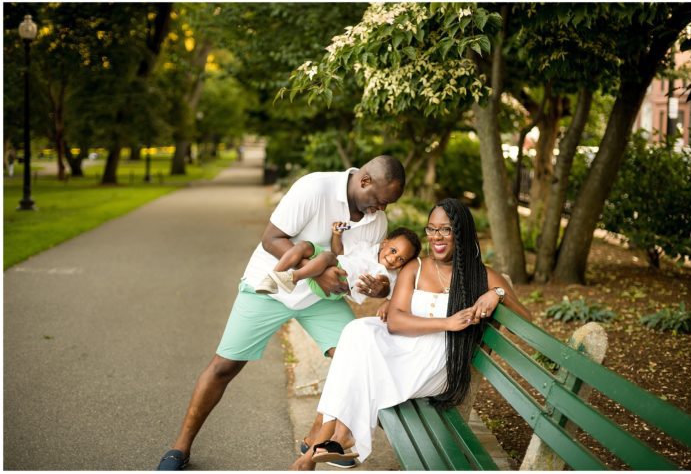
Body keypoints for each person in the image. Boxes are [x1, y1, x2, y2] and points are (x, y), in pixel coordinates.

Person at [156, 156, 406, 470]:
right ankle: (180, 448)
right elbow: (271, 238)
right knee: (224, 366)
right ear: (365, 181)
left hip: (321, 301)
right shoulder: (314, 187)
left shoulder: (377, 222)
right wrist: (314, 273)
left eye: (388, 204)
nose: (382, 209)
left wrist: (377, 289)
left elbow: (364, 269)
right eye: (381, 201)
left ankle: (317, 438)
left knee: (354, 358)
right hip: (273, 286)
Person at [289, 198, 530, 469]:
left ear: (461, 232)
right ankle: (337, 437)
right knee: (358, 331)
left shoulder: (482, 275)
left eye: (446, 230)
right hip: (402, 349)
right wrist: (446, 322)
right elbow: (395, 322)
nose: (437, 237)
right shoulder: (415, 266)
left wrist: (496, 293)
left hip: (435, 364)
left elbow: (525, 320)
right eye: (431, 229)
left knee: (360, 360)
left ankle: (331, 435)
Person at [256, 224, 421, 306]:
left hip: (338, 284)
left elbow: (387, 292)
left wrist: (382, 290)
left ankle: (293, 277)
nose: (393, 259)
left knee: (327, 256)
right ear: (384, 243)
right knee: (304, 246)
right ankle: (273, 277)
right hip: (330, 263)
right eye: (393, 251)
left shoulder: (388, 275)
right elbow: (339, 251)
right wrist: (336, 234)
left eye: (400, 259)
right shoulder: (365, 248)